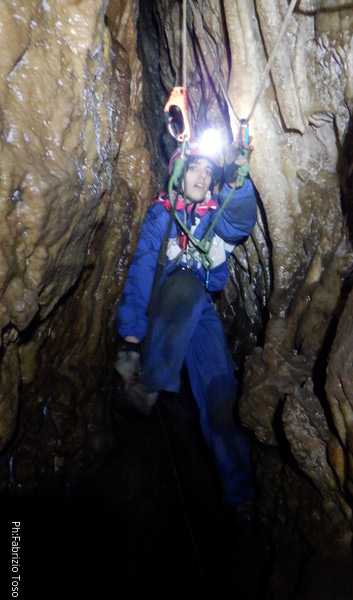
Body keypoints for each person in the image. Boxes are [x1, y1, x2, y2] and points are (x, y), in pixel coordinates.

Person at [114, 130, 257, 512]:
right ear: (180, 172)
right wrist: (131, 341)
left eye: (208, 172)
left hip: (201, 311)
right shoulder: (162, 216)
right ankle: (150, 385)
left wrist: (237, 182)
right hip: (166, 304)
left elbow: (240, 222)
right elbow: (142, 272)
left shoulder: (214, 218)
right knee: (183, 286)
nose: (201, 176)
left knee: (221, 394)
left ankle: (240, 494)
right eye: (195, 168)